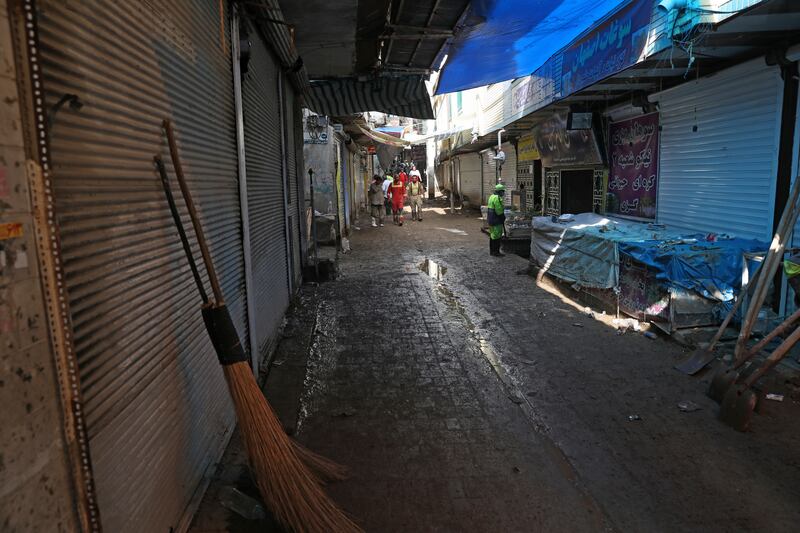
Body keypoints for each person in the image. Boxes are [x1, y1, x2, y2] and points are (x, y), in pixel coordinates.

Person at [487, 183, 506, 257]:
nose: (503, 193)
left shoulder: (491, 196)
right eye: (503, 191)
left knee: (492, 235)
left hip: (491, 219)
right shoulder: (497, 198)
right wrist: (503, 217)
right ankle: (496, 252)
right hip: (496, 219)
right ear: (500, 191)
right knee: (497, 236)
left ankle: (492, 251)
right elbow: (499, 210)